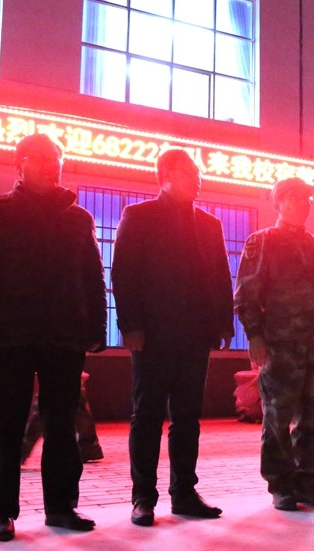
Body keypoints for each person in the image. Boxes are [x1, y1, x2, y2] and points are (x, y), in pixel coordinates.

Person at [0, 133, 107, 541]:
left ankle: (61, 507)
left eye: (55, 157)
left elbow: (93, 278)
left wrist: (96, 329)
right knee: (5, 426)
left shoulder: (79, 218)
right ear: (19, 165)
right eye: (39, 157)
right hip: (10, 335)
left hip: (65, 336)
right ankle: (1, 513)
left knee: (62, 427)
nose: (50, 164)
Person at [112, 147, 235, 527]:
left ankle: (184, 493)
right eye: (189, 172)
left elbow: (220, 276)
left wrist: (223, 324)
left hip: (195, 334)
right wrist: (131, 326)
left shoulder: (209, 224)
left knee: (187, 417)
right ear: (165, 175)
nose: (198, 179)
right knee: (147, 415)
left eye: (198, 173)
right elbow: (124, 273)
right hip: (153, 334)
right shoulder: (139, 216)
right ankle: (143, 498)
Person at [234, 177, 314, 511]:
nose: (303, 204)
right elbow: (247, 294)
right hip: (280, 344)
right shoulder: (263, 241)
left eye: (307, 199)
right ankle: (281, 484)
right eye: (296, 198)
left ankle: (307, 480)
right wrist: (255, 335)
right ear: (279, 203)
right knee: (278, 416)